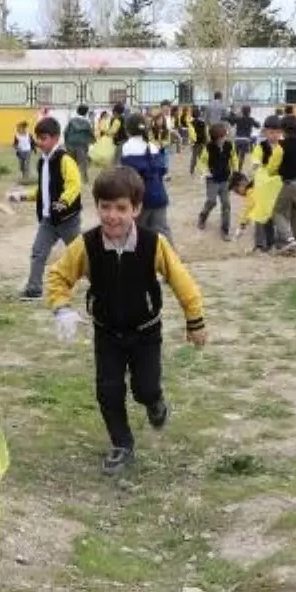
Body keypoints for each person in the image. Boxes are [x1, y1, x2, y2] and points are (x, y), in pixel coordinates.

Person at [46, 166, 207, 475]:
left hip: (146, 332)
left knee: (144, 388)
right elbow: (59, 275)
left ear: (136, 208)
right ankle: (122, 444)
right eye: (105, 207)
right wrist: (61, 307)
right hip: (107, 333)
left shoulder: (153, 244)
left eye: (121, 208)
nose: (112, 216)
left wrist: (194, 319)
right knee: (107, 390)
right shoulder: (87, 244)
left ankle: (155, 401)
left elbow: (181, 279)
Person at [11, 117, 83, 301]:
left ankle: (102, 286)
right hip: (48, 220)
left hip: (67, 219)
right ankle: (33, 290)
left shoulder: (65, 160)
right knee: (38, 252)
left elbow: (74, 185)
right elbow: (43, 190)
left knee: (80, 255)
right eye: (38, 138)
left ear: (56, 138)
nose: (40, 142)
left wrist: (64, 202)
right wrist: (23, 196)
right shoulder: (43, 162)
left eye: (44, 138)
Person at [119, 112, 172, 241]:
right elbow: (163, 170)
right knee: (162, 232)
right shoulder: (152, 146)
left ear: (127, 129)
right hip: (159, 195)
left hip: (140, 199)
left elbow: (127, 175)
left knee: (137, 234)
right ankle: (172, 259)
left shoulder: (126, 148)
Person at [266, 114, 296, 255]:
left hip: (291, 183)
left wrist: (272, 172)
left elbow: (271, 169)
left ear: (282, 129)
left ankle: (289, 240)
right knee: (295, 214)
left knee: (277, 211)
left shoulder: (281, 146)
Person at [197, 121, 237, 240]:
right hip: (212, 180)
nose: (223, 139)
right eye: (220, 137)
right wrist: (205, 172)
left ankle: (225, 230)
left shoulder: (230, 145)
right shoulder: (208, 147)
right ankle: (203, 216)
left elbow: (234, 158)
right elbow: (202, 161)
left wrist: (235, 171)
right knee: (211, 201)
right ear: (214, 138)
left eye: (224, 136)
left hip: (225, 179)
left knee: (226, 204)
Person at [64, 105, 96, 183]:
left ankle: (69, 179)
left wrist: (66, 142)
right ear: (86, 113)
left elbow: (65, 132)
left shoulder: (71, 121)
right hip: (82, 145)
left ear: (77, 111)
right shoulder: (87, 123)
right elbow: (91, 134)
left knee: (70, 163)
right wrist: (93, 141)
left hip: (70, 144)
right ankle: (84, 180)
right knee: (82, 164)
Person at [232, 105, 259, 171]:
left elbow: (231, 122)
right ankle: (240, 170)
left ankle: (235, 169)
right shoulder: (251, 119)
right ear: (249, 112)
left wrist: (233, 114)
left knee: (236, 155)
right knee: (243, 157)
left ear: (242, 111)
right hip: (246, 140)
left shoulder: (238, 118)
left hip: (237, 139)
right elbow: (258, 126)